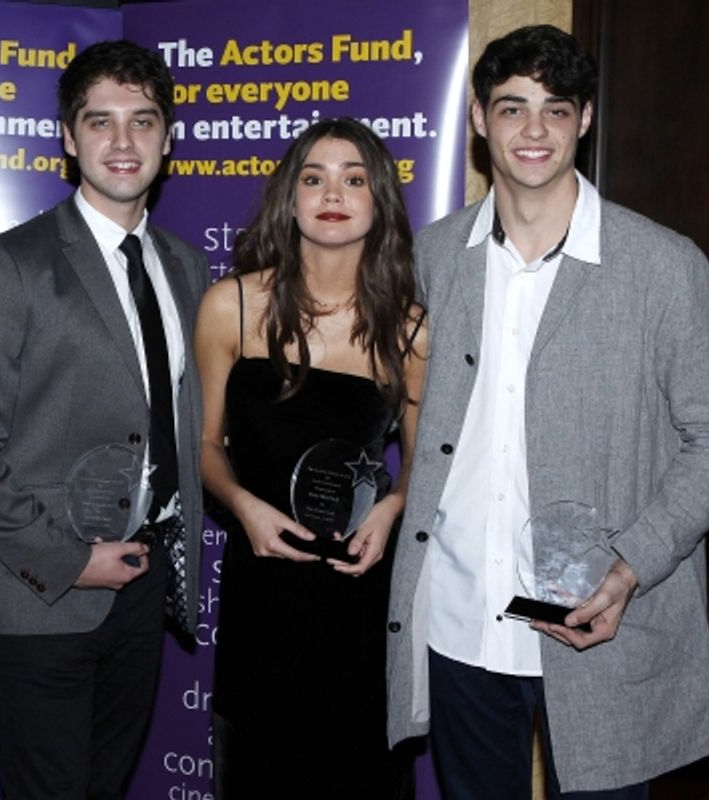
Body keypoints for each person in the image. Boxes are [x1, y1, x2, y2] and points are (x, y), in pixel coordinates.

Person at [385, 24, 709, 798]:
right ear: (480, 121)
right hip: (459, 620)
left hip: (599, 626)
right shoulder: (432, 255)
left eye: (556, 109)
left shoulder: (662, 266)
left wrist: (632, 566)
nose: (534, 130)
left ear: (584, 120)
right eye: (512, 107)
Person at [0, 40, 208, 800]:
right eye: (100, 122)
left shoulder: (184, 266)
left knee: (106, 785)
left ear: (169, 137)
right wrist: (67, 559)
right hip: (41, 591)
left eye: (143, 122)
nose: (123, 143)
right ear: (67, 136)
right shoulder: (11, 263)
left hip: (145, 584)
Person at [196, 118, 427, 799]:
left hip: (361, 589)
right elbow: (205, 446)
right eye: (315, 177)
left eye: (354, 179)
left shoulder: (409, 328)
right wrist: (243, 508)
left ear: (379, 200)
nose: (334, 193)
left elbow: (421, 462)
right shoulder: (230, 305)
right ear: (289, 198)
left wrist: (392, 506)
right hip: (262, 587)